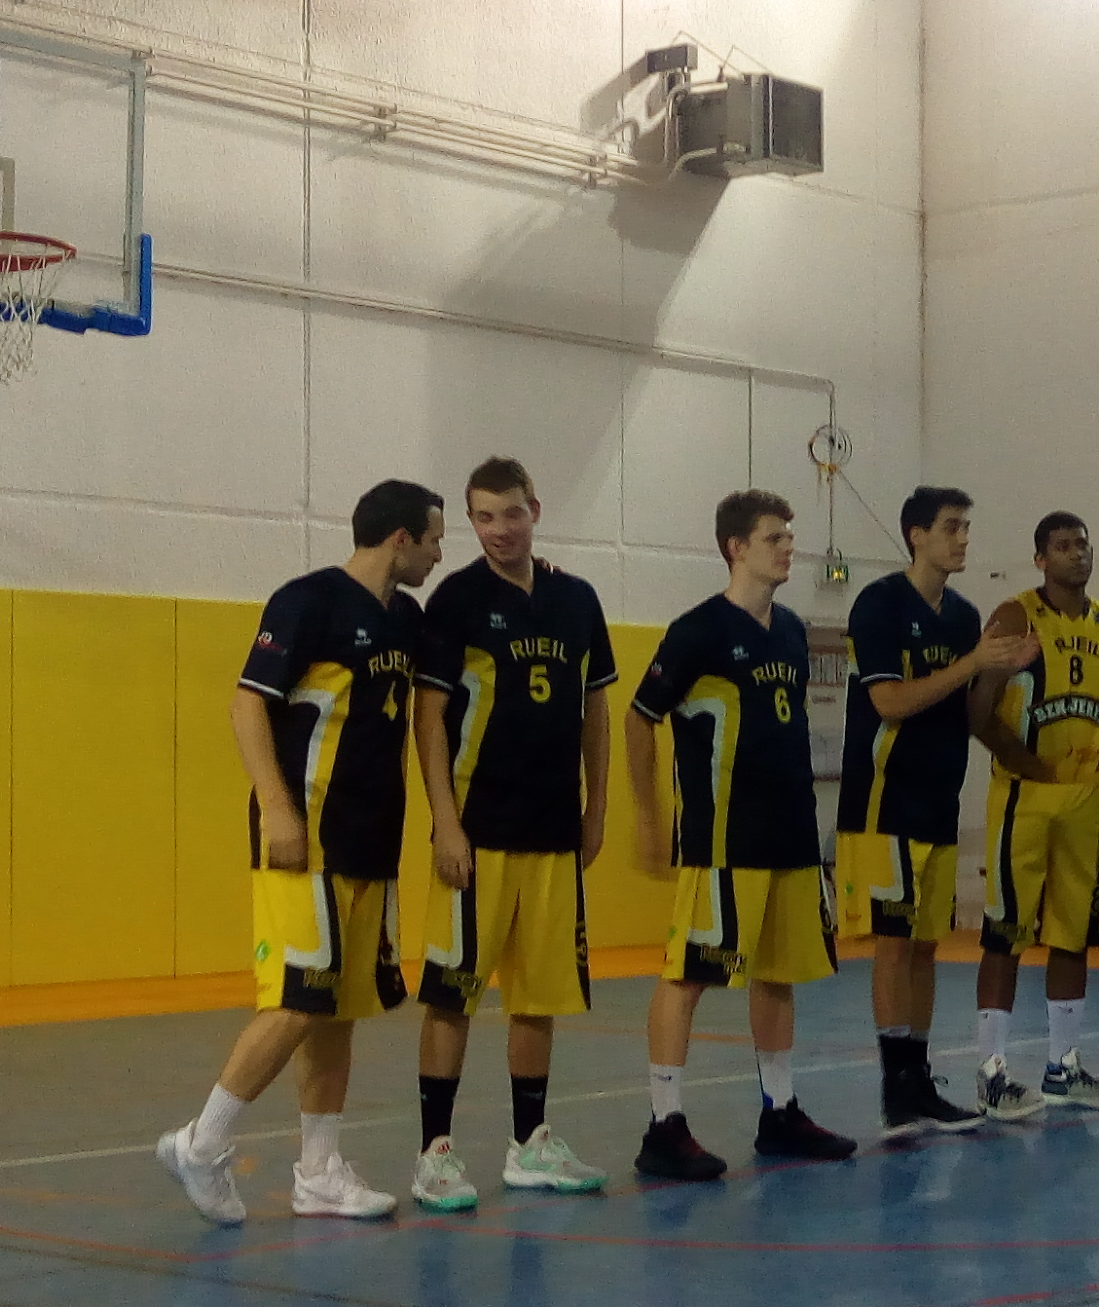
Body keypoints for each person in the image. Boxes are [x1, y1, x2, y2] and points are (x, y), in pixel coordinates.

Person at [157, 479, 444, 1227]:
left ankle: (319, 1172)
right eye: (434, 539)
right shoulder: (307, 602)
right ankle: (200, 1143)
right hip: (306, 838)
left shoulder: (406, 619)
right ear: (401, 538)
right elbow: (247, 704)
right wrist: (279, 809)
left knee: (335, 1010)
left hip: (371, 843)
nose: (439, 555)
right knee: (294, 1001)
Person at [624, 491, 857, 1180]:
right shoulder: (696, 630)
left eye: (788, 536)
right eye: (773, 537)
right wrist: (650, 817)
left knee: (778, 974)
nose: (788, 547)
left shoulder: (791, 631)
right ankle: (664, 1124)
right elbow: (640, 719)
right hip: (724, 837)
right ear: (736, 547)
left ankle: (779, 1110)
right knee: (689, 974)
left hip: (791, 834)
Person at [405, 458, 615, 1211]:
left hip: (553, 832)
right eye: (484, 517)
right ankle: (434, 1153)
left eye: (512, 513)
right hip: (478, 832)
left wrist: (596, 810)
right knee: (452, 995)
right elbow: (429, 719)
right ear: (471, 521)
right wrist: (445, 822)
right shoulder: (455, 600)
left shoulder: (577, 599)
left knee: (538, 995)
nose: (499, 530)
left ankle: (530, 1144)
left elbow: (596, 713)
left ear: (536, 509)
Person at [836, 486, 1037, 1138]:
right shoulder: (879, 604)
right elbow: (891, 702)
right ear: (916, 534)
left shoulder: (965, 614)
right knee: (894, 945)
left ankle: (918, 1078)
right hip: (885, 801)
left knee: (926, 946)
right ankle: (895, 1087)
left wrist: (1003, 671)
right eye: (951, 527)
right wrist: (973, 661)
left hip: (939, 801)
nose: (963, 539)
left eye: (966, 527)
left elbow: (970, 706)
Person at [966, 512, 1099, 1110]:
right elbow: (978, 713)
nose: (1077, 553)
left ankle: (1064, 1066)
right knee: (1005, 935)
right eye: (1062, 546)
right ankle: (991, 1072)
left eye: (1083, 543)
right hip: (1025, 797)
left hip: (1084, 799)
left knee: (1074, 935)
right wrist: (1028, 766)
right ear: (1040, 559)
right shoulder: (1016, 616)